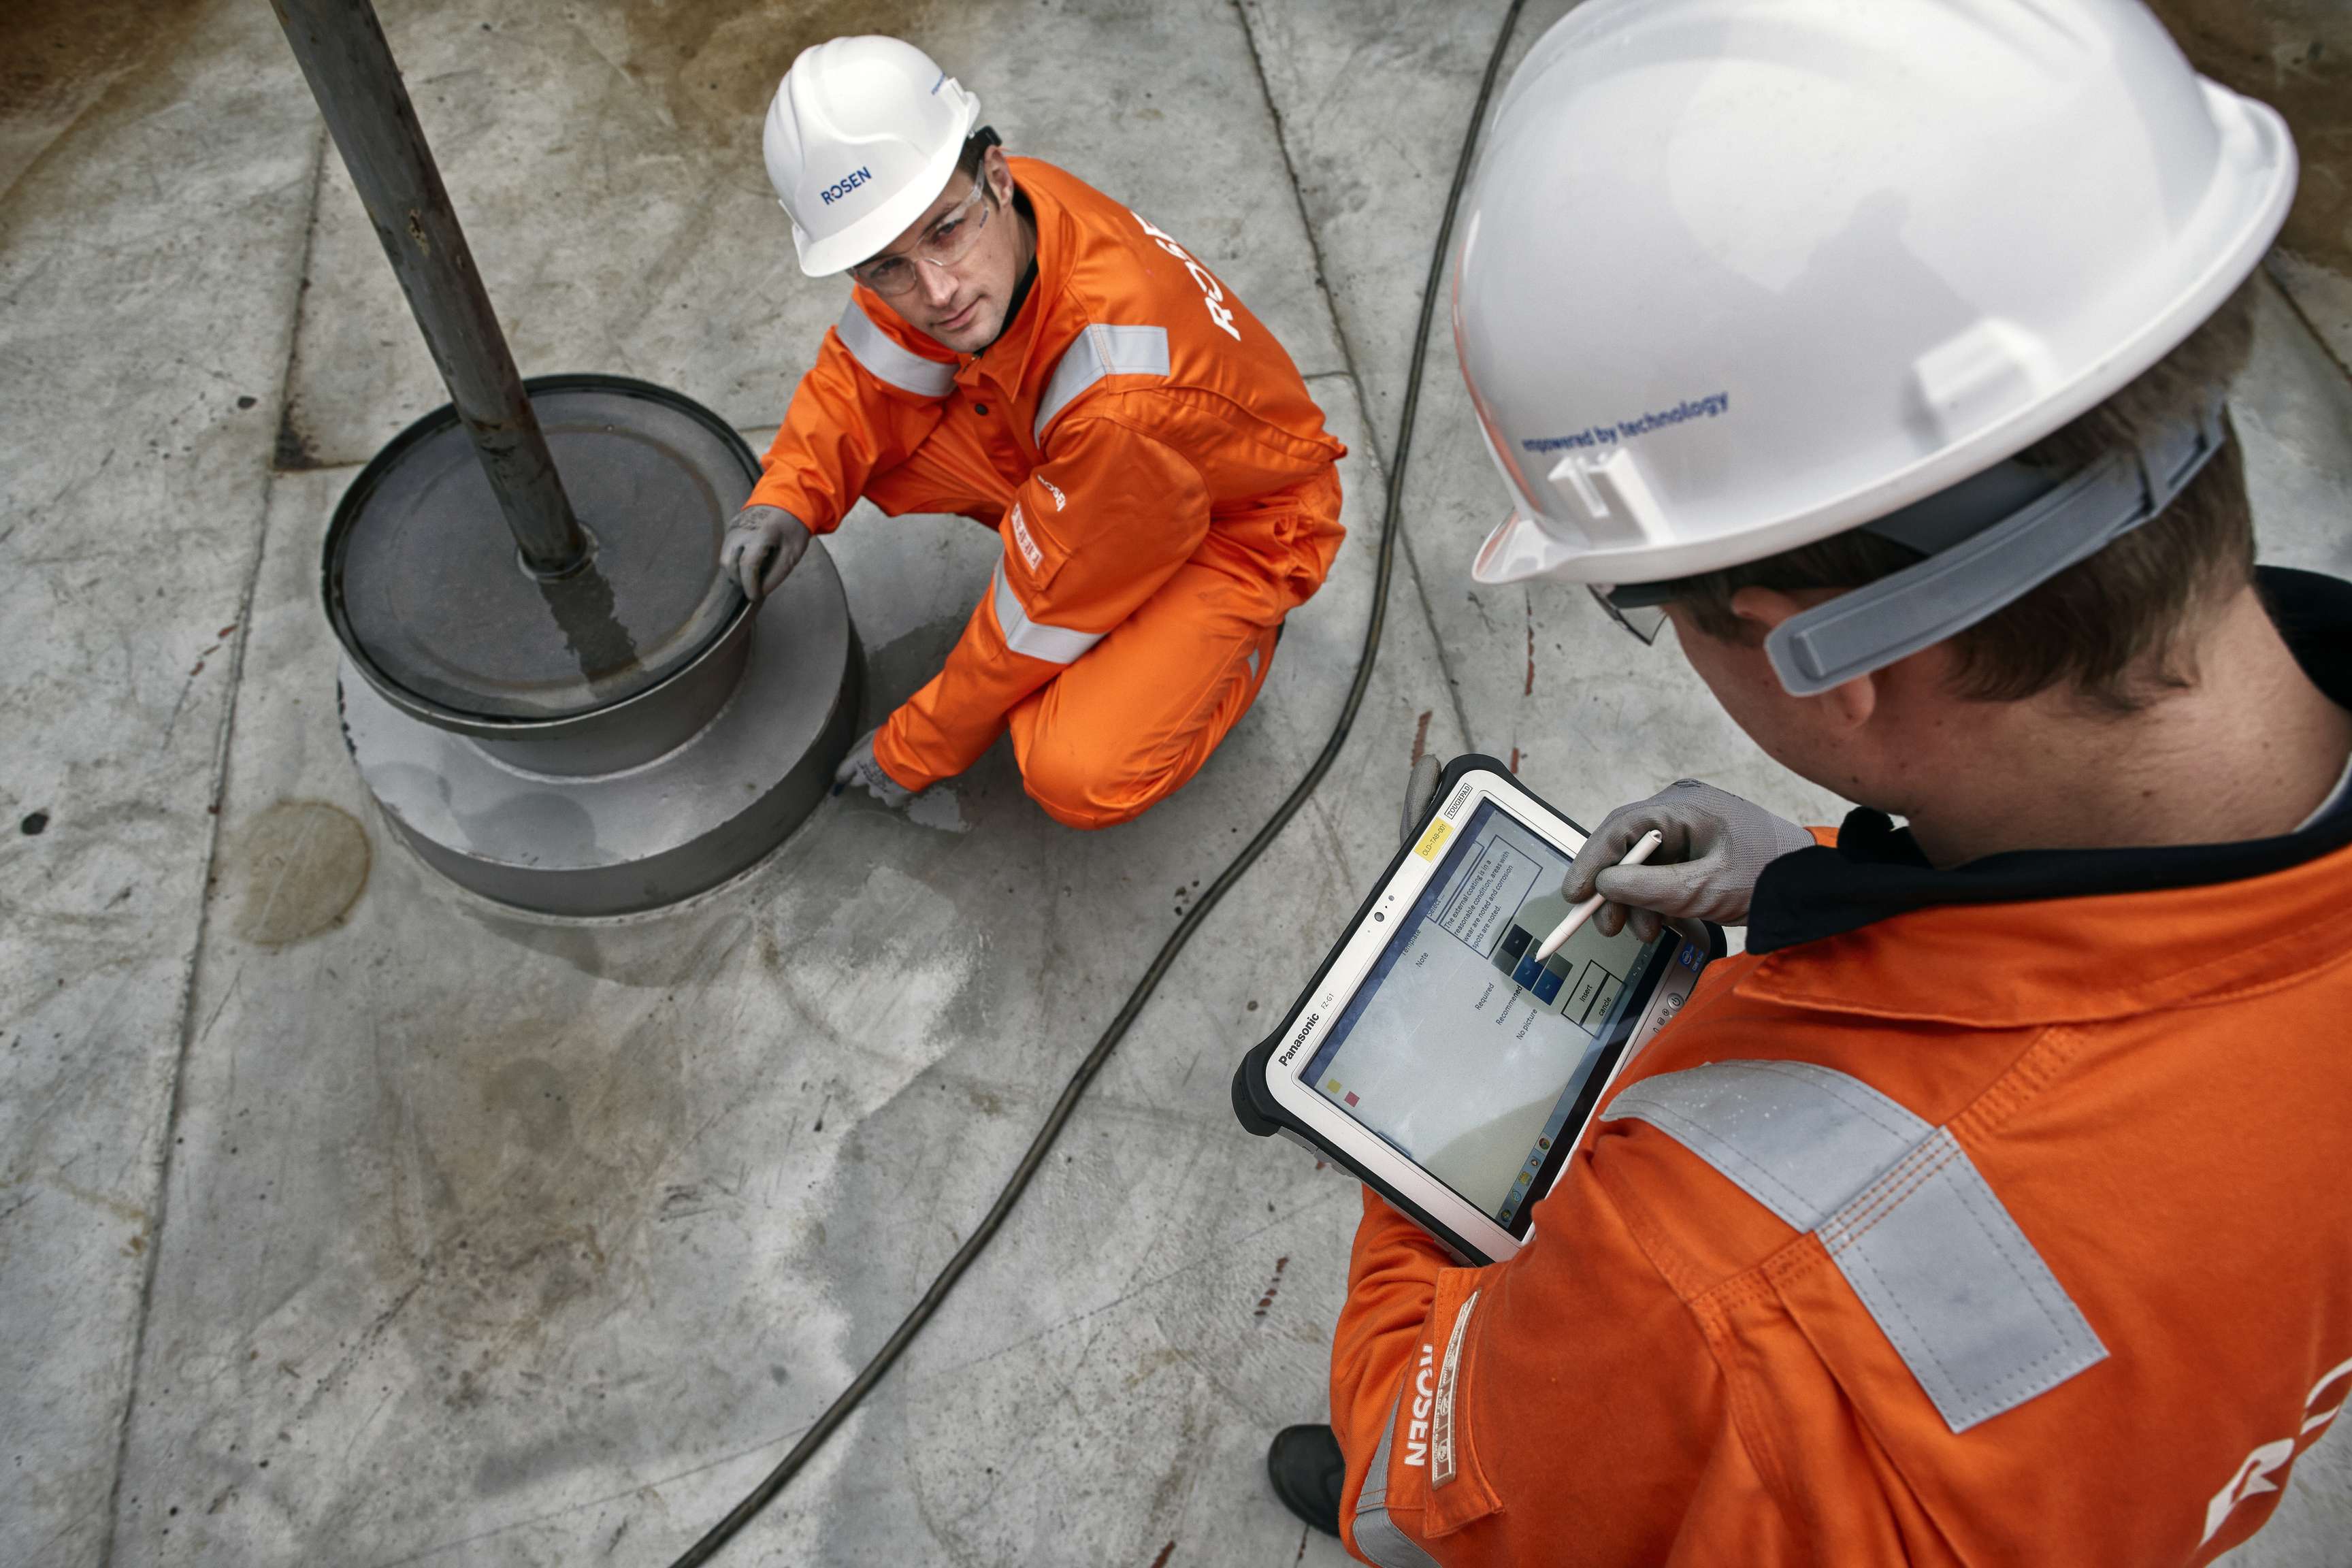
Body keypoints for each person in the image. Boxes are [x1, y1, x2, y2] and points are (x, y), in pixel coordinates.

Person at [1267, 0, 2352, 1561]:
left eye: (1641, 594)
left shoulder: (1697, 1287)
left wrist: (1410, 1154)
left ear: (1823, 660)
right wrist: (1819, 884)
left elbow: (1421, 1496)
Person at [724, 36, 1345, 829]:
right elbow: (865, 373)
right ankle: (1108, 562)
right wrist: (788, 495)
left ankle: (1236, 641)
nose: (936, 290)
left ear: (996, 175)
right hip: (1107, 471)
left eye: (945, 234)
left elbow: (1038, 610)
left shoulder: (1119, 402)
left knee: (1075, 769)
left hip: (1242, 522)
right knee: (878, 443)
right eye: (886, 268)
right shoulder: (984, 211)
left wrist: (916, 748)